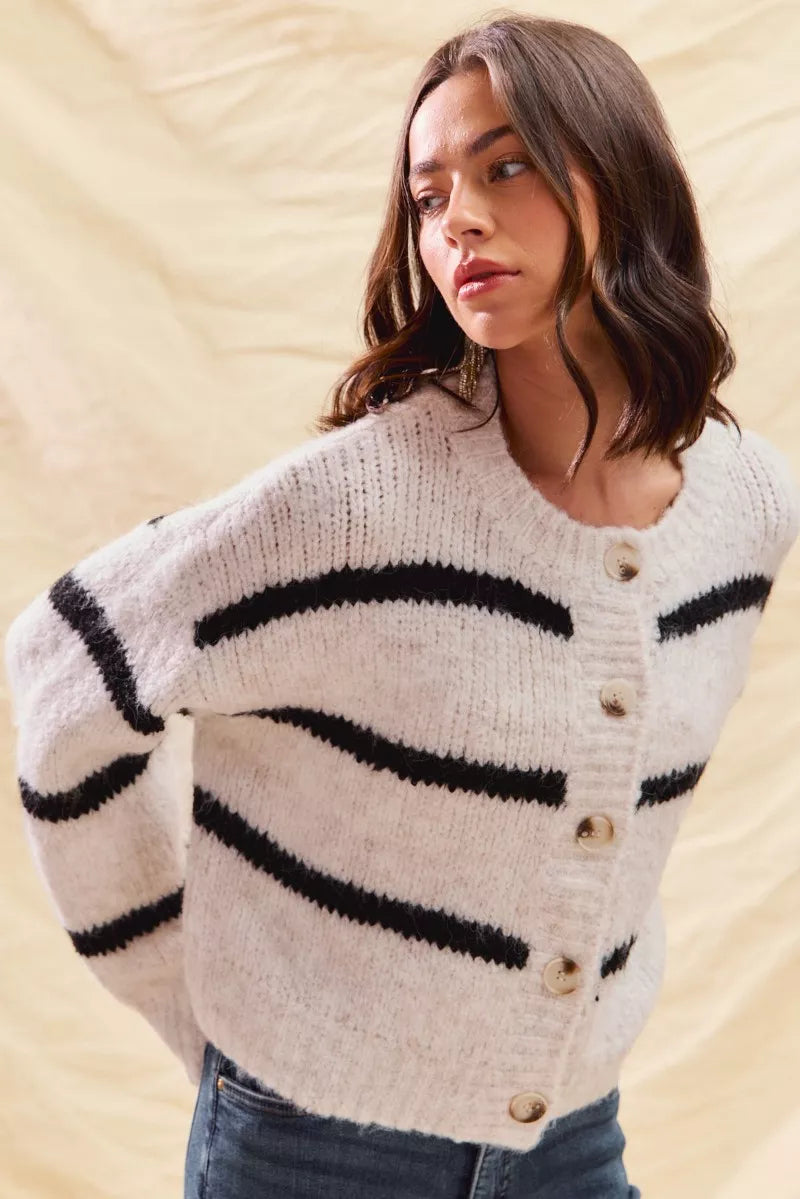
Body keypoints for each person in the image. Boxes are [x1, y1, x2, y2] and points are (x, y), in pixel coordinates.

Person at [4, 13, 799, 1199]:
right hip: (308, 1147)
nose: (457, 218)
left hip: (570, 1143)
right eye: (427, 196)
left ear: (620, 175)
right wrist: (182, 980)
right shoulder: (352, 508)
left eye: (504, 166)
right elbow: (65, 661)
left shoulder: (745, 506)